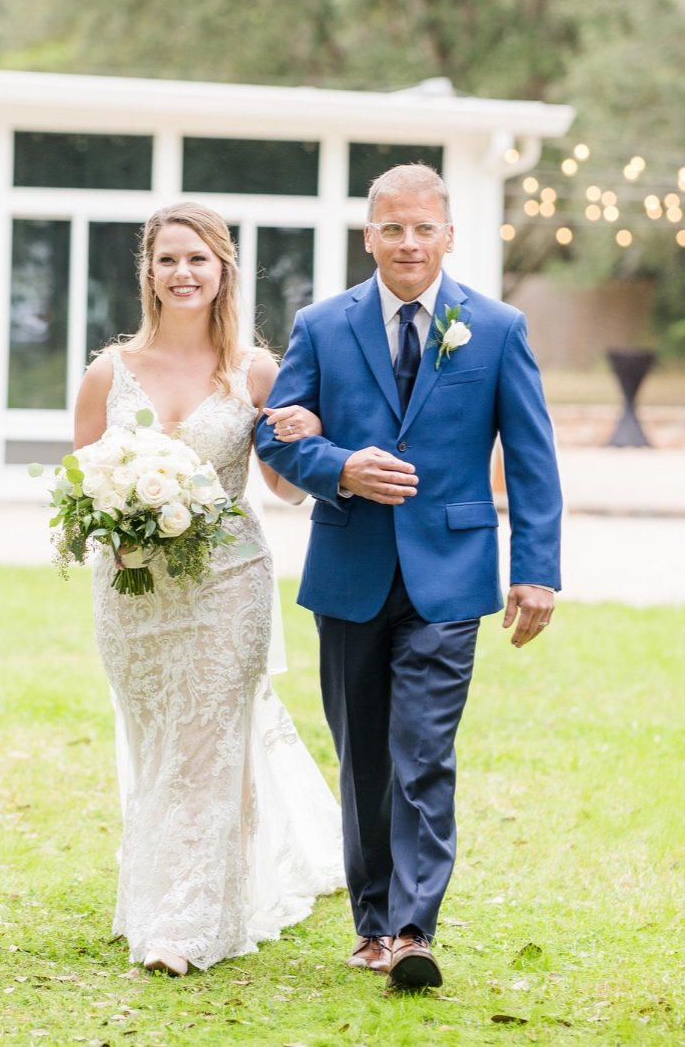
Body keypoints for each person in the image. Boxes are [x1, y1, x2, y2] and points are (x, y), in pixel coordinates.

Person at [255, 163, 562, 991]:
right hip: (349, 566)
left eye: (422, 227)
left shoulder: (494, 328)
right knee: (362, 755)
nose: (407, 242)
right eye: (391, 228)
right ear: (369, 236)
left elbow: (531, 459)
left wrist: (535, 570)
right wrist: (340, 466)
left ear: (448, 235)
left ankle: (411, 930)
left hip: (451, 573)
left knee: (423, 750)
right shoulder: (321, 325)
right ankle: (369, 921)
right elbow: (277, 435)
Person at [72, 202, 345, 978]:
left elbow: (284, 493)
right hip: (133, 591)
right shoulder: (108, 371)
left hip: (228, 580)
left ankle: (188, 922)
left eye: (197, 258)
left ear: (222, 268)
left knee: (211, 742)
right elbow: (81, 485)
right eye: (167, 260)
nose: (182, 272)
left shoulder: (256, 371)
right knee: (157, 742)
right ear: (148, 273)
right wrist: (117, 520)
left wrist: (297, 438)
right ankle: (160, 886)